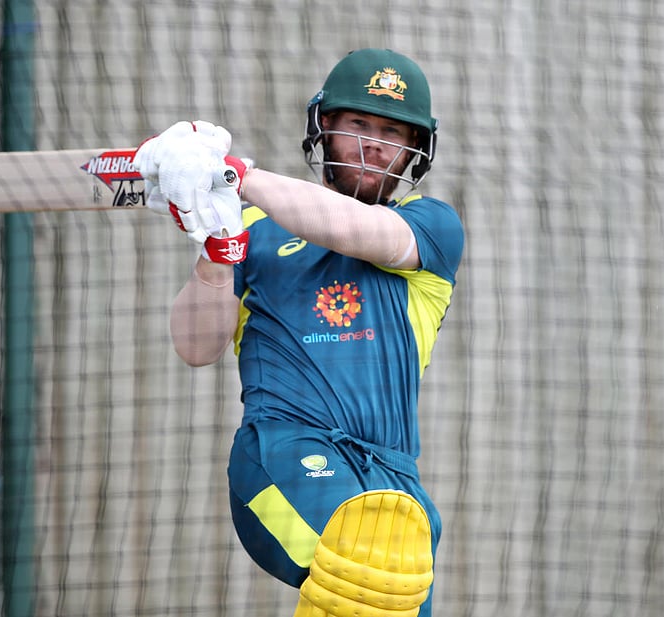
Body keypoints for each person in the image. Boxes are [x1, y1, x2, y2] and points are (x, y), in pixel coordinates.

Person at [133, 48, 464, 617]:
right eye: (358, 123)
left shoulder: (430, 227)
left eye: (391, 131)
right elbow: (195, 347)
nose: (373, 144)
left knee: (392, 574)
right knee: (366, 557)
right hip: (282, 455)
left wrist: (238, 177)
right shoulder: (252, 230)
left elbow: (352, 230)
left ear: (415, 148)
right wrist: (217, 251)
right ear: (325, 127)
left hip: (392, 477)